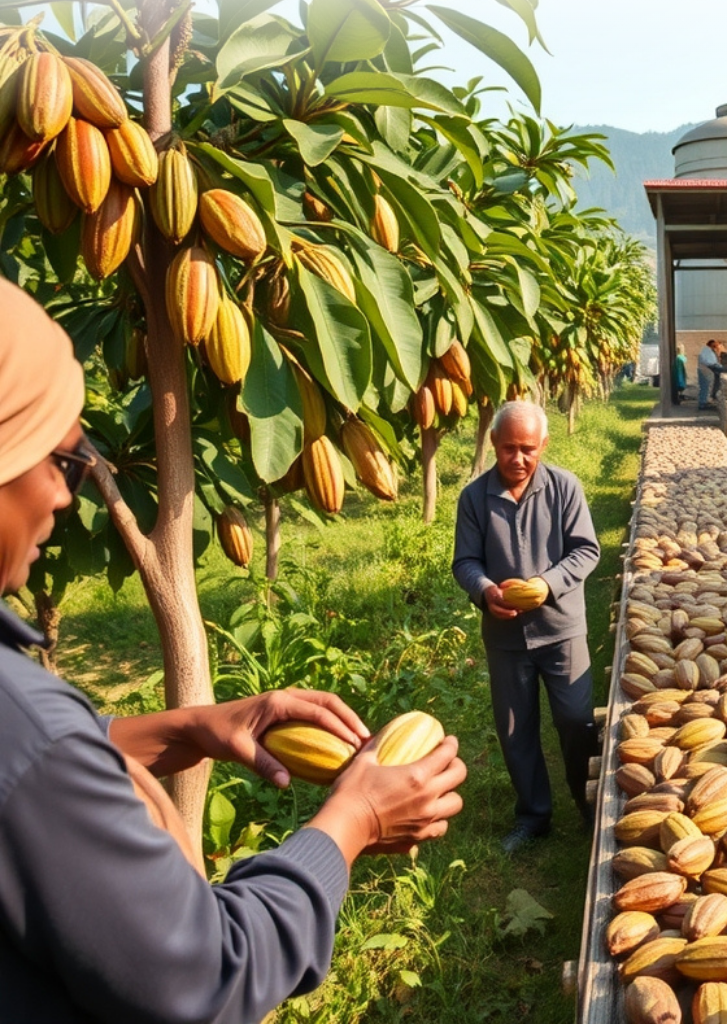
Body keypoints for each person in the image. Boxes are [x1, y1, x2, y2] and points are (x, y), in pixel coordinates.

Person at [0, 281, 467, 1020]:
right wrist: (350, 826)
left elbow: (31, 780)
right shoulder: (25, 727)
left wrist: (184, 729)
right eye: (62, 459)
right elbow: (206, 976)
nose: (67, 496)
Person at [452, 402, 600, 852]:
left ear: (544, 446)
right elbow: (465, 562)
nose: (518, 459)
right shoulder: (474, 498)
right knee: (516, 730)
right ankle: (533, 816)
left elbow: (585, 551)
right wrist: (485, 591)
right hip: (506, 638)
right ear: (494, 445)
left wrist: (545, 585)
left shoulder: (564, 488)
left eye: (528, 450)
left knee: (576, 722)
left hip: (562, 629)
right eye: (509, 449)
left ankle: (590, 805)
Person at [697, 338, 724, 410]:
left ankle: (705, 401)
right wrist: (721, 368)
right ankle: (702, 404)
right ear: (712, 345)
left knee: (706, 387)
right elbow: (711, 363)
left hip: (705, 371)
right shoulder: (707, 351)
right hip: (705, 371)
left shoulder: (708, 351)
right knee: (705, 388)